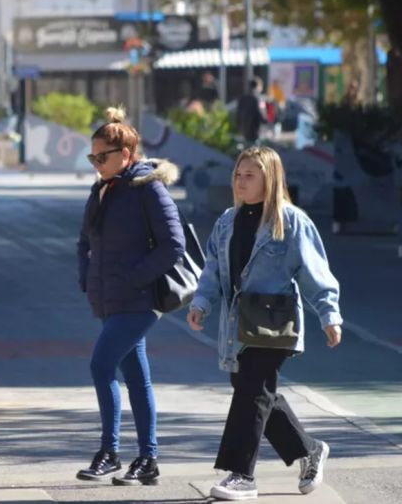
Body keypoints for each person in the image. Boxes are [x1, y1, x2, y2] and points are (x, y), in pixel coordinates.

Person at [186, 147, 343, 501]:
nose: (241, 182)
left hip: (275, 322)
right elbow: (212, 269)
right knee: (254, 391)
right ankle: (309, 450)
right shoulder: (227, 221)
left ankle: (241, 475)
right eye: (238, 175)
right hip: (235, 323)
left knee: (253, 391)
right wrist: (201, 303)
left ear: (269, 179)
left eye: (250, 175)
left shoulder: (290, 221)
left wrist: (329, 315)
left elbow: (315, 273)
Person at [76, 106, 185, 487]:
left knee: (101, 366)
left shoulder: (147, 187)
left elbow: (174, 244)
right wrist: (85, 274)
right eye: (92, 157)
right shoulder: (103, 188)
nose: (96, 164)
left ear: (125, 155)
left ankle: (109, 452)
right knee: (136, 377)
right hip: (110, 297)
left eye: (101, 157)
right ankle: (148, 460)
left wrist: (136, 278)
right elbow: (86, 238)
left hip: (139, 300)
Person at [236, 78, 267, 145]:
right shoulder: (258, 98)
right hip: (255, 131)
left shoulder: (242, 98)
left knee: (247, 151)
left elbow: (238, 114)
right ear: (259, 86)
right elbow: (262, 116)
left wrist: (239, 126)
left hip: (244, 130)